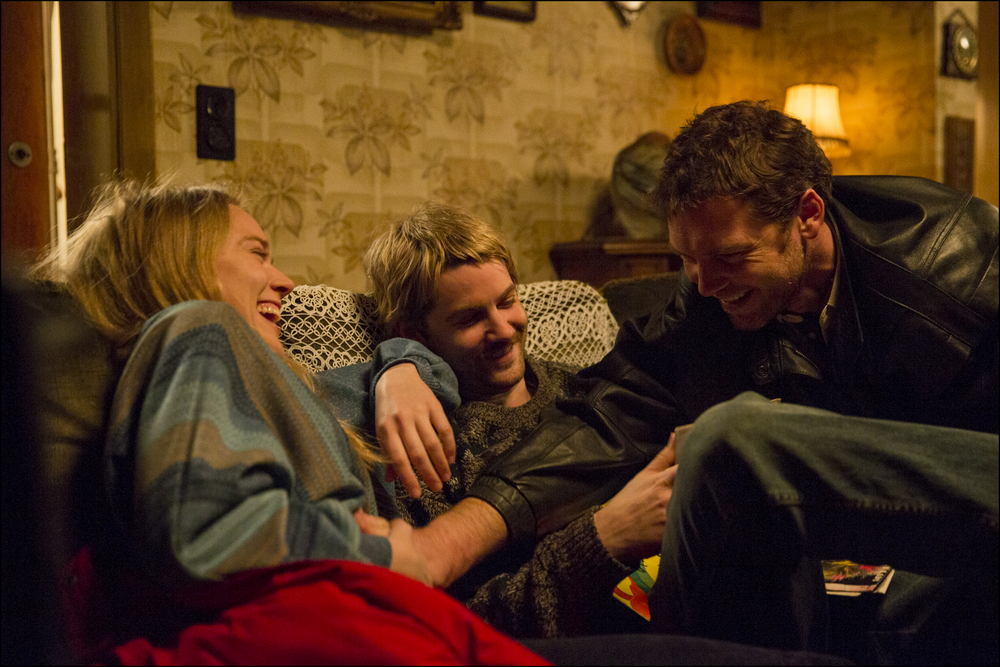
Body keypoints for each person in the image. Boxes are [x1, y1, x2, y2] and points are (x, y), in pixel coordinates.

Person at [372, 102, 998, 663]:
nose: (704, 284)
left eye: (729, 257)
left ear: (807, 214)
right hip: (932, 573)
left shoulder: (957, 262)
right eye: (687, 259)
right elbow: (614, 410)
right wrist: (440, 544)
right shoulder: (710, 298)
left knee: (731, 441)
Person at [27, 179, 544, 665]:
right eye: (258, 253)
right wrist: (388, 552)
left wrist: (399, 365)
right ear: (185, 257)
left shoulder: (262, 370)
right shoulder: (200, 325)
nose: (287, 282)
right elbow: (209, 529)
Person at [323, 202, 679, 638]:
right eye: (471, 318)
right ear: (413, 335)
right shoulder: (425, 448)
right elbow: (461, 622)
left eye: (508, 301)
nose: (505, 329)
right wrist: (601, 541)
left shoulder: (590, 391)